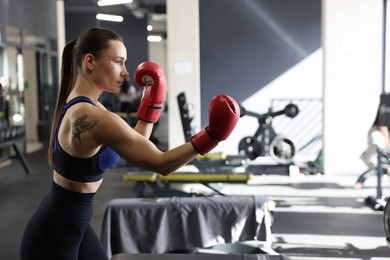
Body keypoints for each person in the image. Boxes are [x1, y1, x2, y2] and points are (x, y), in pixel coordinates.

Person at [20, 27, 240, 260]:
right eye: (118, 62)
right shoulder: (95, 117)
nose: (125, 72)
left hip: (74, 225)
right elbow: (161, 163)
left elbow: (137, 143)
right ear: (90, 61)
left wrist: (152, 103)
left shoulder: (89, 106)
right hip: (53, 236)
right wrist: (212, 136)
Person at [356, 94, 390, 188]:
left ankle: (383, 166)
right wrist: (388, 144)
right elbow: (382, 126)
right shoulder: (387, 101)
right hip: (378, 132)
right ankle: (376, 162)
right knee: (381, 145)